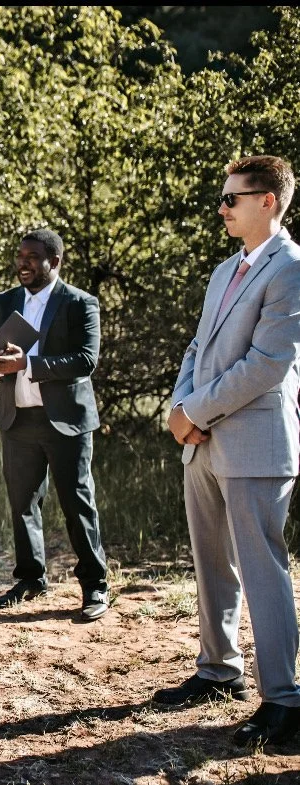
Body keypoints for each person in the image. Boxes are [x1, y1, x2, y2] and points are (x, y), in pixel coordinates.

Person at [154, 155, 300, 747]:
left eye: (231, 198)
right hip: (204, 440)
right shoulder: (224, 270)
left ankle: (286, 699)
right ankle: (218, 671)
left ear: (268, 201)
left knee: (262, 569)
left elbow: (267, 364)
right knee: (212, 562)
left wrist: (197, 411)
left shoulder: (290, 269)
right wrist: (179, 406)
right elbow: (198, 345)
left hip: (256, 442)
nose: (221, 207)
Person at [0, 229, 109, 621]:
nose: (23, 263)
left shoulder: (80, 303)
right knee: (22, 504)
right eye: (19, 256)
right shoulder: (3, 303)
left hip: (66, 421)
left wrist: (28, 364)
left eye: (32, 257)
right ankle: (31, 578)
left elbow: (86, 360)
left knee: (77, 504)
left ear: (56, 261)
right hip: (17, 419)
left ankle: (95, 586)